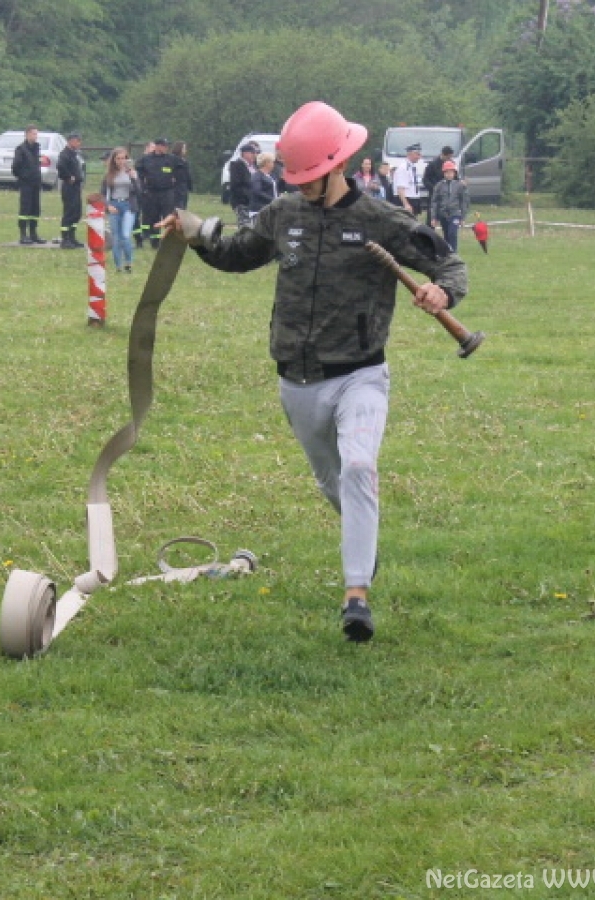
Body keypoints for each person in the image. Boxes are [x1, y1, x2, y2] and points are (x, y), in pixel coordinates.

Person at [161, 101, 468, 643]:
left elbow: (447, 261)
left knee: (358, 470)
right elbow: (238, 254)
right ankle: (361, 544)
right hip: (296, 381)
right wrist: (197, 235)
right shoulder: (284, 214)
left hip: (360, 376)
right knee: (333, 482)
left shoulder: (380, 219)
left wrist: (443, 291)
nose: (301, 186)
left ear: (339, 164)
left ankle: (356, 597)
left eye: (310, 177)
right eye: (295, 177)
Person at [101, 146, 139, 273]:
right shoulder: (109, 175)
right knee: (116, 237)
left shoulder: (131, 173)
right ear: (114, 160)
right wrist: (108, 206)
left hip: (128, 205)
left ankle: (128, 262)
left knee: (125, 235)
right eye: (118, 158)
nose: (121, 161)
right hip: (114, 205)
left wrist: (134, 178)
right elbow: (103, 194)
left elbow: (139, 191)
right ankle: (118, 265)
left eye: (124, 158)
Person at [135, 136, 179, 247]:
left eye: (167, 146)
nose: (166, 148)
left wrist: (176, 181)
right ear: (157, 146)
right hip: (152, 192)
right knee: (154, 217)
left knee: (168, 217)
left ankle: (169, 241)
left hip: (167, 192)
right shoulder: (146, 159)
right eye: (164, 146)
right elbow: (139, 174)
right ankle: (155, 241)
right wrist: (143, 187)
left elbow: (181, 172)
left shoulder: (171, 159)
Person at [13, 125, 46, 244]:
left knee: (35, 208)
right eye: (33, 134)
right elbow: (15, 167)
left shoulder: (36, 148)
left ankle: (33, 233)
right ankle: (23, 235)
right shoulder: (21, 149)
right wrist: (24, 177)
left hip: (36, 183)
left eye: (36, 134)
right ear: (27, 134)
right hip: (26, 184)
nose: (35, 136)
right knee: (25, 208)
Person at [429, 160, 470, 251]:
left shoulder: (459, 186)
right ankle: (448, 253)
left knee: (452, 233)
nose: (449, 174)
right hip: (443, 214)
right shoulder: (439, 186)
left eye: (451, 172)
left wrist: (463, 217)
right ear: (443, 173)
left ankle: (454, 252)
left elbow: (464, 201)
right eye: (446, 172)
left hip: (455, 214)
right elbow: (434, 202)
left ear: (454, 173)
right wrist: (434, 217)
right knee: (446, 235)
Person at [56, 132, 85, 249]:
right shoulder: (64, 154)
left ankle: (72, 237)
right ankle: (65, 239)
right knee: (69, 212)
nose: (79, 143)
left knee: (76, 213)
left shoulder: (74, 154)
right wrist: (68, 177)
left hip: (76, 187)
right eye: (77, 141)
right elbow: (60, 167)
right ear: (71, 141)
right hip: (69, 187)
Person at [227, 141, 258, 228]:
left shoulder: (254, 166)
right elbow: (236, 185)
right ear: (245, 154)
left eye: (255, 153)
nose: (255, 155)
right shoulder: (237, 165)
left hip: (254, 202)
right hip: (242, 201)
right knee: (245, 225)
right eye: (252, 153)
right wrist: (248, 195)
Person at [393, 143, 425, 216]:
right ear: (409, 154)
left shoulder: (413, 167)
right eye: (417, 154)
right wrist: (406, 204)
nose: (419, 157)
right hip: (406, 200)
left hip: (414, 198)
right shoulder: (403, 168)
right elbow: (400, 189)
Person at [172, 140, 192, 210]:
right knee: (178, 207)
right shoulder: (173, 159)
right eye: (184, 148)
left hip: (184, 187)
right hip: (176, 187)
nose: (185, 150)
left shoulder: (184, 160)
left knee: (183, 207)